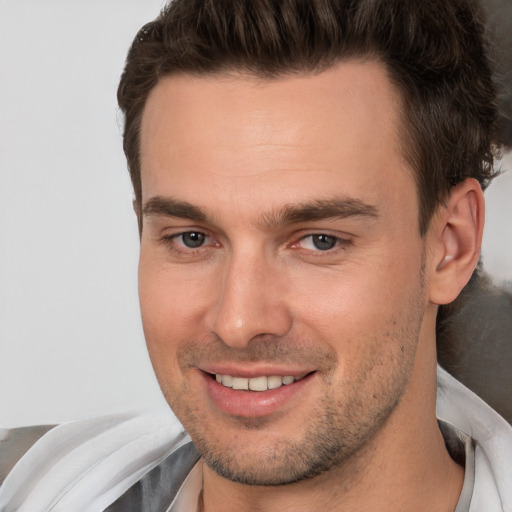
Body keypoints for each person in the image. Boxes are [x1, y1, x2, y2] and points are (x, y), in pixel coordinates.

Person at [1, 0, 511, 511]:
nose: (238, 322)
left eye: (319, 241)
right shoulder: (25, 488)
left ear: (450, 246)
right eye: (192, 239)